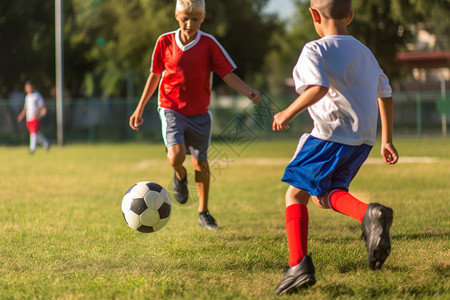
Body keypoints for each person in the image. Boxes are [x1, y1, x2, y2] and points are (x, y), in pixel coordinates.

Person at [272, 0, 399, 295]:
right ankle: (371, 213)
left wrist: (286, 113)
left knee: (295, 194)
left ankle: (297, 266)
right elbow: (386, 94)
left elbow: (319, 88)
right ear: (351, 16)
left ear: (314, 15)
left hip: (330, 134)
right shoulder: (364, 52)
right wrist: (387, 139)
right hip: (363, 140)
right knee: (324, 195)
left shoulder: (314, 49)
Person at [129, 0, 261, 229]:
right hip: (170, 107)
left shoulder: (209, 44)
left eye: (195, 19)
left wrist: (248, 91)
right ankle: (180, 175)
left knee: (201, 164)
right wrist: (139, 107)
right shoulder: (165, 41)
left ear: (203, 18)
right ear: (176, 16)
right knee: (176, 156)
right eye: (184, 19)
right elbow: (155, 75)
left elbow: (227, 74)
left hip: (200, 113)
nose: (189, 24)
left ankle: (204, 212)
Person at [17, 81, 50, 153]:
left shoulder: (37, 95)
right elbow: (25, 108)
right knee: (35, 134)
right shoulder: (27, 97)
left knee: (33, 133)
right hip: (28, 118)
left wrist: (37, 113)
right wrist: (21, 115)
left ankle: (32, 148)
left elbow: (41, 105)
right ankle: (46, 142)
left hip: (36, 117)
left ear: (32, 87)